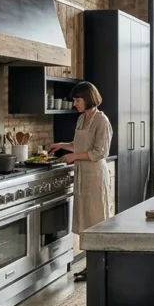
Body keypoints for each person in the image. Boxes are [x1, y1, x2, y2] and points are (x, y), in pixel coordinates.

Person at [48, 81, 113, 282]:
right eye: (74, 100)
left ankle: (100, 266)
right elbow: (78, 144)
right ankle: (90, 265)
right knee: (85, 220)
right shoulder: (81, 119)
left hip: (95, 175)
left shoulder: (101, 121)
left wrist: (74, 156)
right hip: (82, 174)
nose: (74, 103)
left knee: (96, 220)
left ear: (88, 99)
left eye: (77, 99)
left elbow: (100, 152)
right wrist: (62, 145)